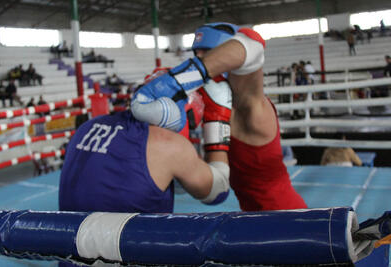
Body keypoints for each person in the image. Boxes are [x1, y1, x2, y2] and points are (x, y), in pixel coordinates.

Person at [131, 22, 307, 211]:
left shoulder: (251, 106)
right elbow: (210, 183)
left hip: (288, 218)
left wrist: (175, 80)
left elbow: (253, 42)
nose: (198, 58)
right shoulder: (216, 104)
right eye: (196, 53)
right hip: (255, 220)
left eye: (206, 52)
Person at [59, 73, 232, 213]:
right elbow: (219, 191)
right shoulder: (167, 144)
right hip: (133, 253)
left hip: (68, 252)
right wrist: (218, 125)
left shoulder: (88, 126)